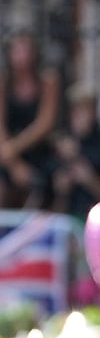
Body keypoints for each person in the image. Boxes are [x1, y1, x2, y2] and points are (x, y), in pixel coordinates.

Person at [0, 30, 61, 209]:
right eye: (17, 50)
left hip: (37, 151)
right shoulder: (4, 83)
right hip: (8, 155)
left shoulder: (48, 81)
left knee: (45, 185)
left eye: (26, 49)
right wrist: (13, 164)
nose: (22, 56)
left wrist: (13, 148)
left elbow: (45, 124)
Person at [48, 81, 100, 221]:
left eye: (86, 110)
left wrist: (89, 179)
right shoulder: (61, 144)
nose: (81, 116)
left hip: (94, 216)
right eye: (77, 110)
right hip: (64, 218)